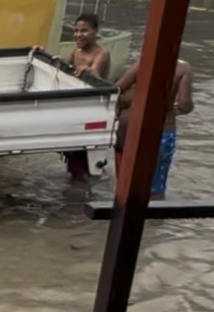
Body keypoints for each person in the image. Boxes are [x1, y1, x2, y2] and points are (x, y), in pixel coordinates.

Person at [114, 56, 194, 200]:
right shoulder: (183, 68)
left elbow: (117, 89)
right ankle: (155, 222)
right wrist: (171, 109)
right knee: (157, 187)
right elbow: (185, 105)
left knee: (129, 185)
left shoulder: (143, 62)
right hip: (163, 131)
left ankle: (127, 220)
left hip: (135, 131)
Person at [59, 13, 112, 181]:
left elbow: (95, 75)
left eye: (84, 30)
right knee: (74, 155)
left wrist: (88, 70)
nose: (78, 34)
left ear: (95, 31)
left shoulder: (101, 53)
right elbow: (64, 66)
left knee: (85, 157)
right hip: (78, 108)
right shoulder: (77, 51)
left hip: (94, 109)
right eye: (76, 30)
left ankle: (83, 193)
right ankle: (78, 191)